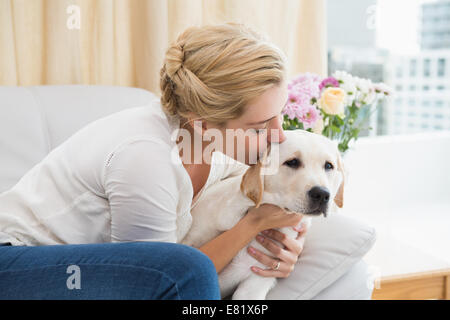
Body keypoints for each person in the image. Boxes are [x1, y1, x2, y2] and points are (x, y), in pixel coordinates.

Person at [0, 22, 305, 299]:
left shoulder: (217, 146)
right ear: (203, 123)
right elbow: (164, 278)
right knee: (185, 269)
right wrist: (253, 224)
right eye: (260, 126)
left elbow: (282, 184)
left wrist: (286, 243)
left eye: (280, 115)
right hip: (13, 263)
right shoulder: (145, 158)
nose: (278, 135)